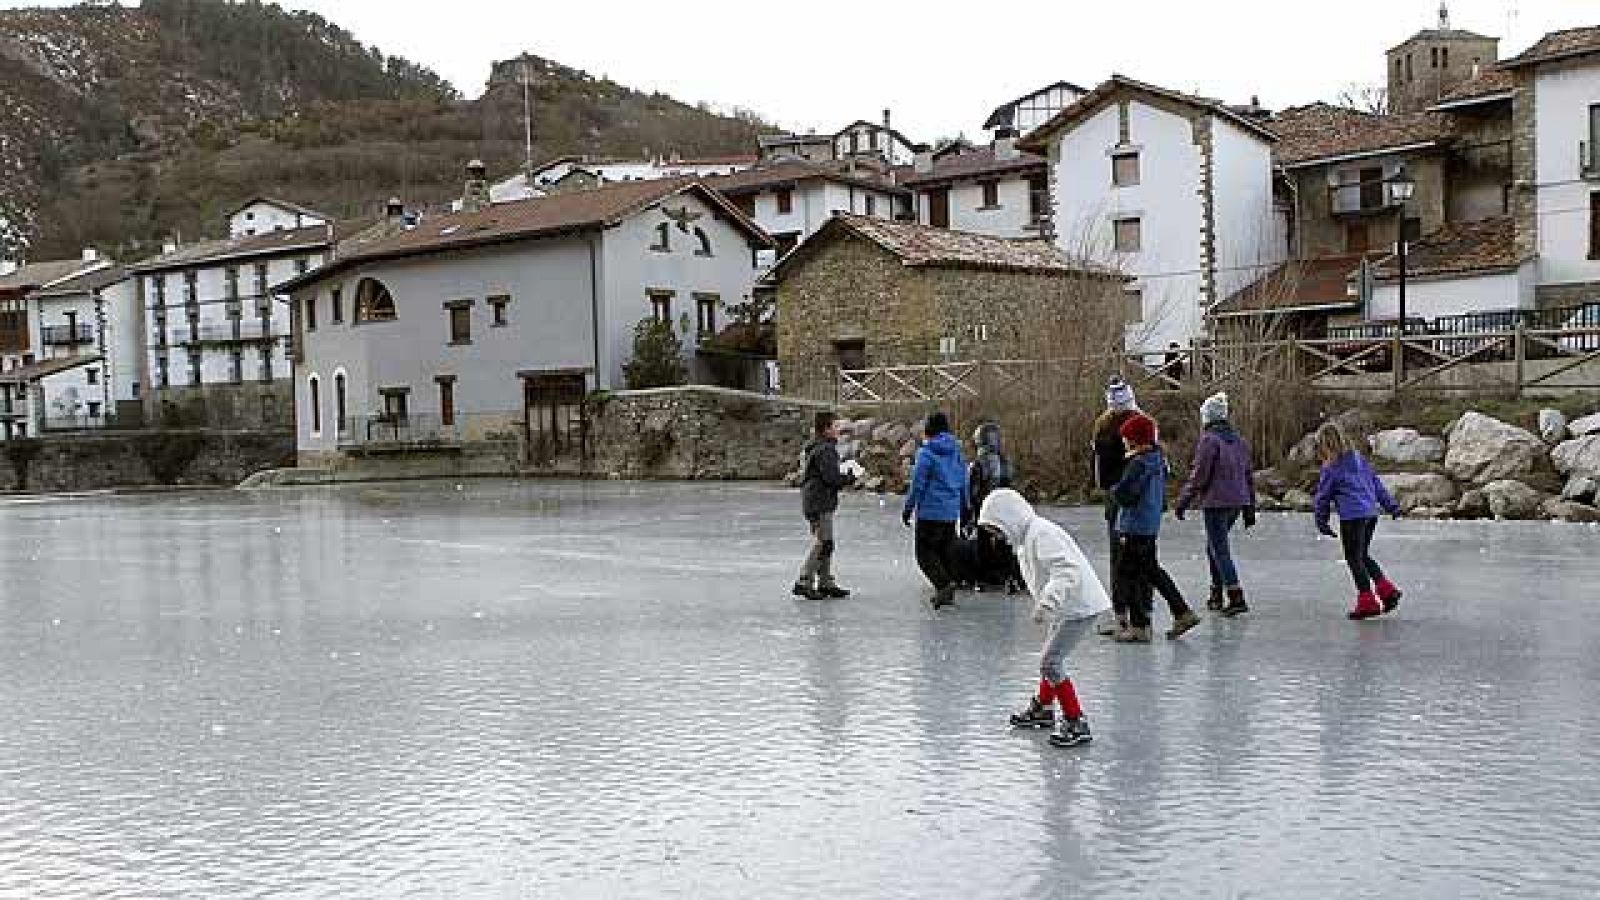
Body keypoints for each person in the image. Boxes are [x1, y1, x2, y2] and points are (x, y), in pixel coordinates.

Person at [982, 488, 1110, 748]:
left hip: (1078, 607)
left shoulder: (1041, 535)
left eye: (998, 530)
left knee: (1051, 662)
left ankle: (1076, 721)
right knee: (1049, 659)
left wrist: (1049, 602)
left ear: (1009, 519)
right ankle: (1042, 708)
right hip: (1068, 606)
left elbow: (1067, 571)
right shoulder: (1028, 538)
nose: (998, 538)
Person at [1111, 412, 1200, 642]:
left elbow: (1126, 495)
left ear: (1135, 440)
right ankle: (1181, 611)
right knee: (1151, 571)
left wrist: (1115, 490)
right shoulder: (1157, 460)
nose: (1123, 442)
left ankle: (1140, 626)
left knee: (1126, 575)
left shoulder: (1138, 464)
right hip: (1148, 525)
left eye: (1126, 437)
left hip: (1133, 526)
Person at [1174, 392, 1257, 618]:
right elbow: (1247, 475)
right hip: (1236, 502)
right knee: (1213, 547)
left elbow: (1199, 476)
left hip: (1216, 503)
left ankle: (1235, 594)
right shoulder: (1240, 441)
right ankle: (1216, 594)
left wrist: (1183, 501)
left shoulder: (1209, 441)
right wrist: (1250, 507)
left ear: (1207, 418)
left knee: (1219, 549)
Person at [1311, 422, 1404, 620]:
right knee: (1363, 556)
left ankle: (1367, 602)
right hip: (1370, 514)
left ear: (1326, 445)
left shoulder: (1331, 468)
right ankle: (1388, 592)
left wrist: (1321, 522)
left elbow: (1322, 498)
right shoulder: (1359, 460)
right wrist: (1391, 506)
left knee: (1354, 559)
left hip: (1352, 517)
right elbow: (1376, 485)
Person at [902, 411, 968, 609]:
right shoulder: (956, 452)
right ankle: (948, 585)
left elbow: (918, 484)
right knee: (945, 550)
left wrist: (908, 507)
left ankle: (944, 586)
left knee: (924, 553)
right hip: (950, 512)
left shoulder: (926, 453)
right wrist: (965, 507)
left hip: (930, 513)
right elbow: (964, 481)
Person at [793, 411, 858, 600]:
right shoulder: (825, 449)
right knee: (825, 543)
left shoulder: (817, 447)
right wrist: (850, 477)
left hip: (814, 500)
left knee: (826, 542)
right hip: (819, 502)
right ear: (827, 429)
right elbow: (832, 478)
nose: (838, 430)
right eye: (835, 426)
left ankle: (825, 582)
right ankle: (804, 580)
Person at [967, 422, 1022, 592]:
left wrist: (969, 515)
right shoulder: (1006, 462)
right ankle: (1010, 578)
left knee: (982, 544)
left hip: (984, 510)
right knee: (1003, 544)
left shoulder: (977, 464)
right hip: (1003, 510)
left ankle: (981, 579)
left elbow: (972, 493)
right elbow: (1010, 486)